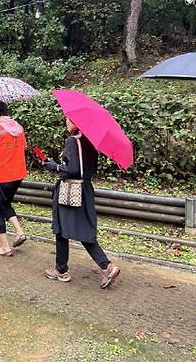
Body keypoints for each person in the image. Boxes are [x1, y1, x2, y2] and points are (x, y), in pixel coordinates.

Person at [42, 117, 120, 288]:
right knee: (83, 229)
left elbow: (72, 169)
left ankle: (61, 270)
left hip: (70, 191)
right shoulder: (90, 141)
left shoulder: (73, 140)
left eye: (68, 120)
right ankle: (106, 266)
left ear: (76, 122)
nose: (66, 122)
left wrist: (54, 166)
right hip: (85, 190)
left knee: (61, 228)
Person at [0, 99, 27, 257]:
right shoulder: (18, 128)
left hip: (1, 177)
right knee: (4, 203)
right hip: (18, 175)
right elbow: (24, 147)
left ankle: (5, 247)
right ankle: (19, 231)